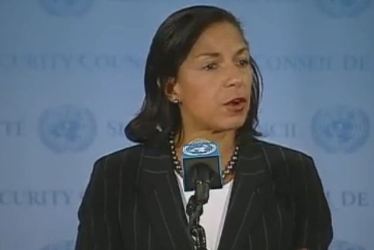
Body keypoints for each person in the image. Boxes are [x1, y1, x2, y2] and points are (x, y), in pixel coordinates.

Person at [74, 5, 333, 250]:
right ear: (171, 87)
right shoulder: (117, 176)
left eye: (242, 62)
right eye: (211, 65)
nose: (235, 79)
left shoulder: (292, 172)